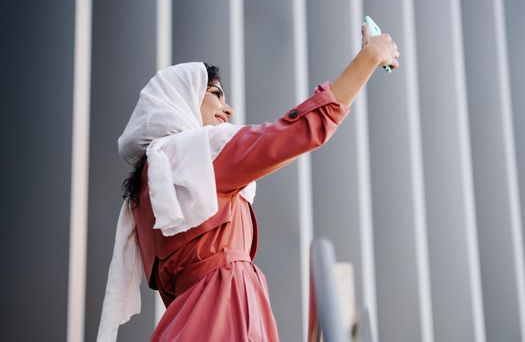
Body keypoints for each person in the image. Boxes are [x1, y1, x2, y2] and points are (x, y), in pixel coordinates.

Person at [97, 23, 399, 342]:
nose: (228, 110)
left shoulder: (152, 185)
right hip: (223, 321)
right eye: (214, 94)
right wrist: (368, 57)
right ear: (178, 100)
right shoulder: (193, 156)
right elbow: (298, 134)